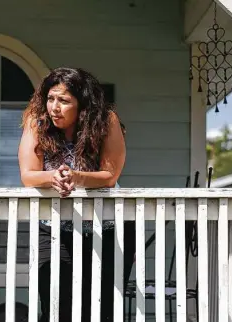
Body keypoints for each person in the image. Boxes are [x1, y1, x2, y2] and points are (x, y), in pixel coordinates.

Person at [18, 67, 136, 321]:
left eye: (64, 101)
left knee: (103, 311)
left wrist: (76, 177)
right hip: (54, 229)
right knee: (57, 308)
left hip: (106, 229)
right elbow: (28, 175)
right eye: (51, 98)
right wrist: (54, 177)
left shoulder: (106, 121)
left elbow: (110, 176)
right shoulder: (36, 122)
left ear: (82, 104)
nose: (54, 107)